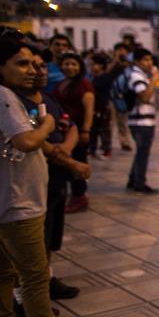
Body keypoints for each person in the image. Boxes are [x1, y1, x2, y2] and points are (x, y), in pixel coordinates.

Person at [0, 37, 98, 317]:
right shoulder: (0, 95)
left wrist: (71, 163)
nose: (32, 70)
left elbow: (40, 145)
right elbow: (27, 140)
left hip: (6, 198)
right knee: (34, 277)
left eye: (34, 64)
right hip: (16, 202)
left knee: (2, 271)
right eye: (22, 63)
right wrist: (48, 125)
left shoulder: (3, 96)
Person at [16, 48, 88, 307]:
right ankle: (23, 296)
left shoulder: (48, 98)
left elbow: (70, 127)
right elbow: (32, 141)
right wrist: (70, 161)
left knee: (50, 235)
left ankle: (46, 279)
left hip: (56, 177)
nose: (38, 71)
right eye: (28, 65)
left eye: (41, 66)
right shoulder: (15, 103)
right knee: (32, 240)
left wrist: (65, 151)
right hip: (32, 180)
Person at [53, 53, 94, 213]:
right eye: (67, 64)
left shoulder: (84, 85)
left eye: (74, 64)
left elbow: (89, 110)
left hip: (78, 131)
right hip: (64, 131)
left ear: (80, 66)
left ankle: (79, 196)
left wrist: (86, 130)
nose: (70, 67)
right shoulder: (63, 83)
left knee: (78, 162)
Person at [124, 48, 159, 194]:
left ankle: (133, 180)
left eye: (150, 59)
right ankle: (140, 183)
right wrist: (153, 80)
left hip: (145, 121)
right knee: (142, 153)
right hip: (140, 122)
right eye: (146, 59)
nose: (149, 62)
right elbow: (144, 97)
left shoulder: (142, 75)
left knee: (141, 152)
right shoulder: (136, 76)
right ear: (138, 62)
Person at [87, 53, 113, 159]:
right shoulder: (94, 77)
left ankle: (106, 150)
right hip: (95, 107)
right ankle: (92, 149)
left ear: (101, 65)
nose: (91, 67)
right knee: (94, 129)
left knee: (104, 129)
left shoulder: (104, 77)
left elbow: (101, 95)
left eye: (93, 65)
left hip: (102, 107)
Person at [109, 43, 133, 152]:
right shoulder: (111, 63)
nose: (121, 52)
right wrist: (115, 61)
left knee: (123, 122)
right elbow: (106, 74)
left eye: (124, 50)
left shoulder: (129, 65)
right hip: (110, 97)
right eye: (119, 50)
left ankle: (125, 142)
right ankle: (107, 143)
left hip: (124, 98)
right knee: (109, 122)